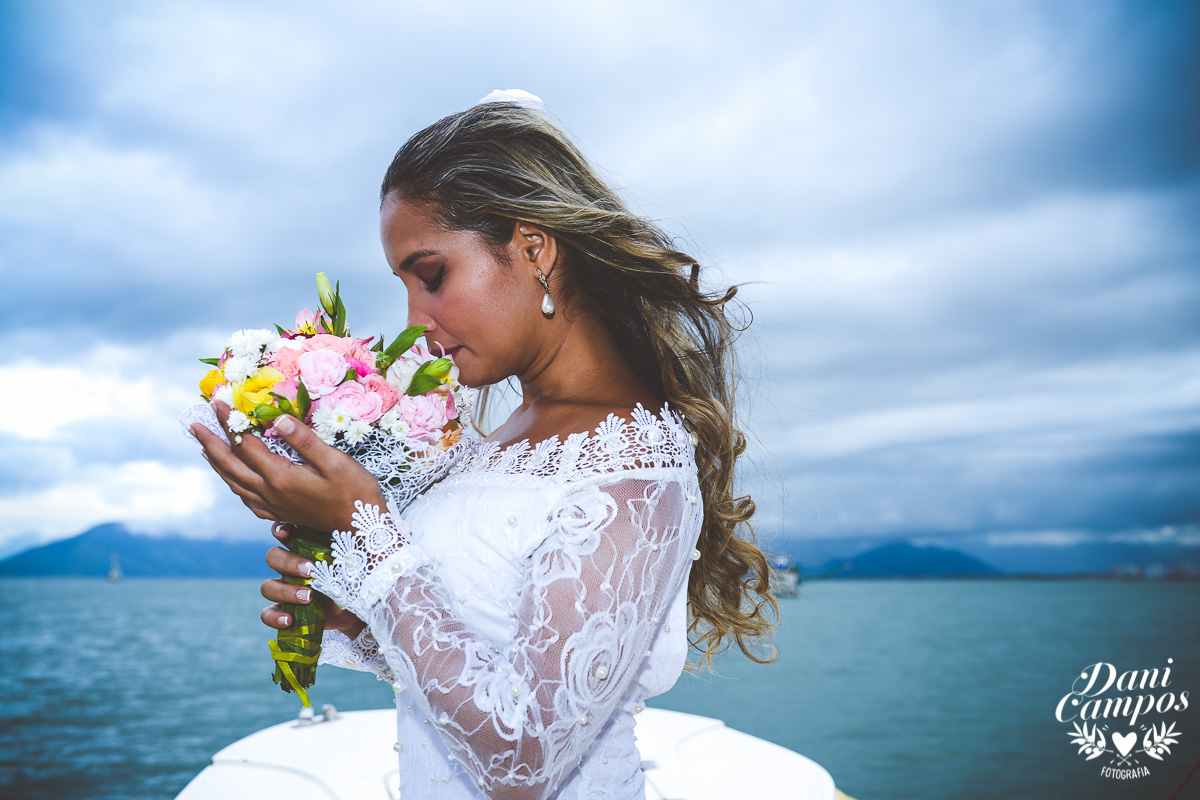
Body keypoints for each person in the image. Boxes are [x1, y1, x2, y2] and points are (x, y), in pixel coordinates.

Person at [192, 91, 777, 800]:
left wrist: (364, 530)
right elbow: (482, 655)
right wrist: (361, 616)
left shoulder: (630, 462)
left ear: (533, 248)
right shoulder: (498, 440)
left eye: (432, 274)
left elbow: (524, 756)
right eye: (405, 285)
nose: (415, 319)